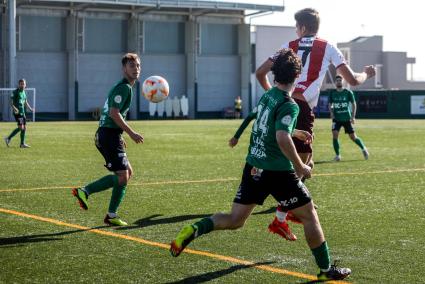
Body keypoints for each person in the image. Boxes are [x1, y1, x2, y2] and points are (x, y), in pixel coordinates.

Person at [170, 49, 351, 281]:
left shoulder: (267, 95)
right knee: (309, 216)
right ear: (298, 75)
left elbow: (271, 126)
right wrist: (301, 166)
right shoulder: (290, 104)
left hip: (253, 166)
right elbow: (282, 138)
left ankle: (196, 229)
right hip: (278, 172)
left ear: (275, 74)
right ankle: (326, 271)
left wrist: (295, 131)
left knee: (235, 220)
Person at [255, 8, 376, 235]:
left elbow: (260, 72)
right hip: (300, 108)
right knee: (300, 165)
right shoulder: (328, 46)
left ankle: (287, 206)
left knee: (305, 159)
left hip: (284, 104)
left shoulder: (288, 45)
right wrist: (367, 74)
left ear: (301, 27)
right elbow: (353, 80)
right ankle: (281, 215)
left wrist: (275, 97)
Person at [72, 53, 144, 226]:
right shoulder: (124, 87)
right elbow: (114, 112)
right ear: (124, 68)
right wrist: (131, 133)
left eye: (138, 66)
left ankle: (109, 212)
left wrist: (120, 135)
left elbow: (111, 114)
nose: (136, 69)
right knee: (122, 177)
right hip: (108, 135)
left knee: (127, 173)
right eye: (132, 65)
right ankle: (87, 193)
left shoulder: (125, 87)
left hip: (111, 135)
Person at [329, 75, 369, 161]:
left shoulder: (348, 92)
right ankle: (338, 155)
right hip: (336, 119)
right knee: (335, 135)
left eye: (340, 80)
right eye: (337, 80)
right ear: (335, 82)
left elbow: (354, 104)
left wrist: (353, 116)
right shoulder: (332, 93)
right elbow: (330, 104)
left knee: (353, 137)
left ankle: (364, 149)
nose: (339, 82)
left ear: (343, 82)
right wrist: (331, 112)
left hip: (346, 118)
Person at [4, 79, 34, 148]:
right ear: (19, 84)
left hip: (22, 113)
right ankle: (9, 138)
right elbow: (11, 102)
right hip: (17, 113)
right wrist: (14, 108)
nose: (22, 85)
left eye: (23, 84)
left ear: (25, 85)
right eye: (21, 84)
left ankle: (21, 144)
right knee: (21, 127)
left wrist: (30, 108)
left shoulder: (24, 92)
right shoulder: (15, 92)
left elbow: (25, 102)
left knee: (24, 128)